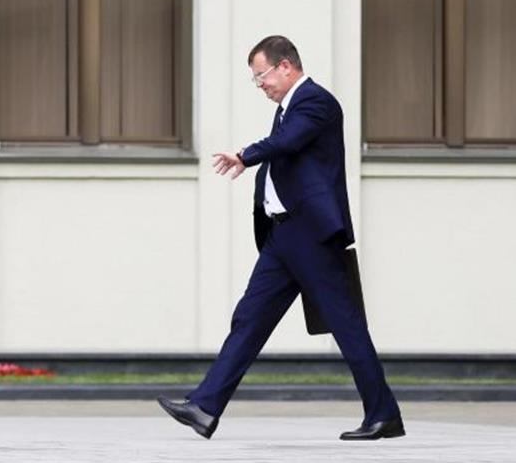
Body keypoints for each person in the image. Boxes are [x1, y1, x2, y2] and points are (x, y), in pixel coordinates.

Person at [157, 35, 403, 441]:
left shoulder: (315, 103)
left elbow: (287, 144)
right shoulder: (289, 107)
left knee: (346, 325)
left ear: (285, 66)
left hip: (310, 234)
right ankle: (204, 407)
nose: (261, 85)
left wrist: (245, 155)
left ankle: (383, 414)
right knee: (249, 318)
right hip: (283, 236)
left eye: (262, 76)